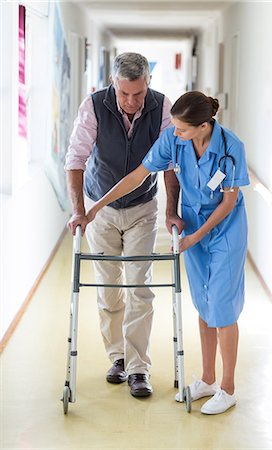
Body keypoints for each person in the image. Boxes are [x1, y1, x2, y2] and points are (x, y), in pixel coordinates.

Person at [84, 91, 250, 415]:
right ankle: (207, 378)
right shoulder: (173, 140)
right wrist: (97, 207)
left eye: (182, 129)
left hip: (226, 230)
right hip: (192, 224)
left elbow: (229, 202)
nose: (175, 133)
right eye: (174, 127)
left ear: (203, 126)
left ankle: (228, 388)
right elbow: (138, 175)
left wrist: (195, 237)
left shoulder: (232, 148)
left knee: (222, 306)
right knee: (203, 303)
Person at [65, 52, 172, 398]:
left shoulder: (161, 107)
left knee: (139, 288)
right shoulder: (95, 106)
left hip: (143, 208)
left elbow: (170, 164)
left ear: (148, 84)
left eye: (138, 94)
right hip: (102, 210)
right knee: (109, 289)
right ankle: (119, 358)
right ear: (113, 83)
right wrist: (81, 210)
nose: (130, 101)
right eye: (124, 93)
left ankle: (139, 367)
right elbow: (76, 158)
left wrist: (172, 210)